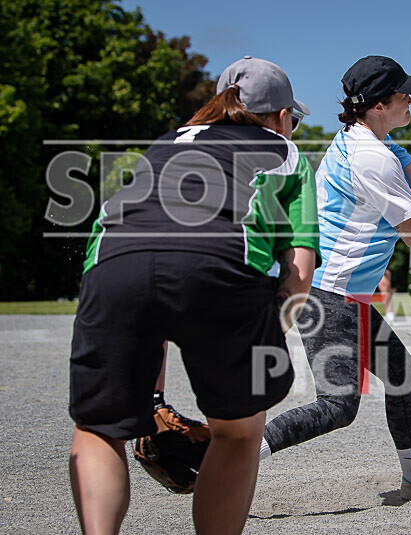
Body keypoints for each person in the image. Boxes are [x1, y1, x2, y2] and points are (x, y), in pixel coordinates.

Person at [68, 56, 319, 535]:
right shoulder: (285, 154)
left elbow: (137, 241)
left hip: (110, 270)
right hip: (218, 266)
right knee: (238, 433)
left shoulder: (163, 143)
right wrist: (262, 340)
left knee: (98, 428)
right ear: (283, 117)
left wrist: (145, 377)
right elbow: (299, 276)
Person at [259, 55, 411, 500]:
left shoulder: (371, 141)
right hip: (329, 294)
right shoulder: (371, 157)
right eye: (402, 93)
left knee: (400, 372)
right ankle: (230, 455)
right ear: (376, 104)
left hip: (342, 293)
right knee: (337, 406)